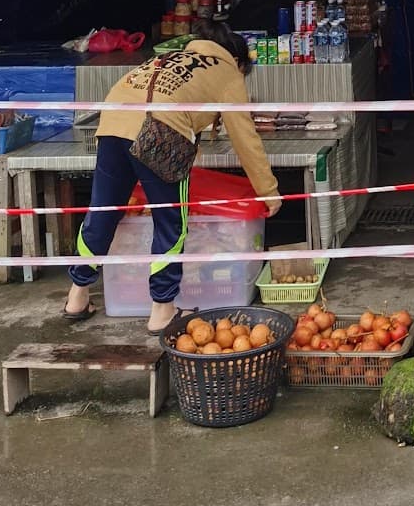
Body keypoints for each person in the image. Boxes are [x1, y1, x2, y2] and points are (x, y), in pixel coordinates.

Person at [64, 20, 280, 334]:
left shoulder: (167, 58)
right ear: (237, 60)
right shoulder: (226, 70)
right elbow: (245, 138)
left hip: (112, 126)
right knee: (170, 223)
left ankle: (77, 296)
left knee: (103, 211)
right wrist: (268, 191)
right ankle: (162, 310)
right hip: (162, 134)